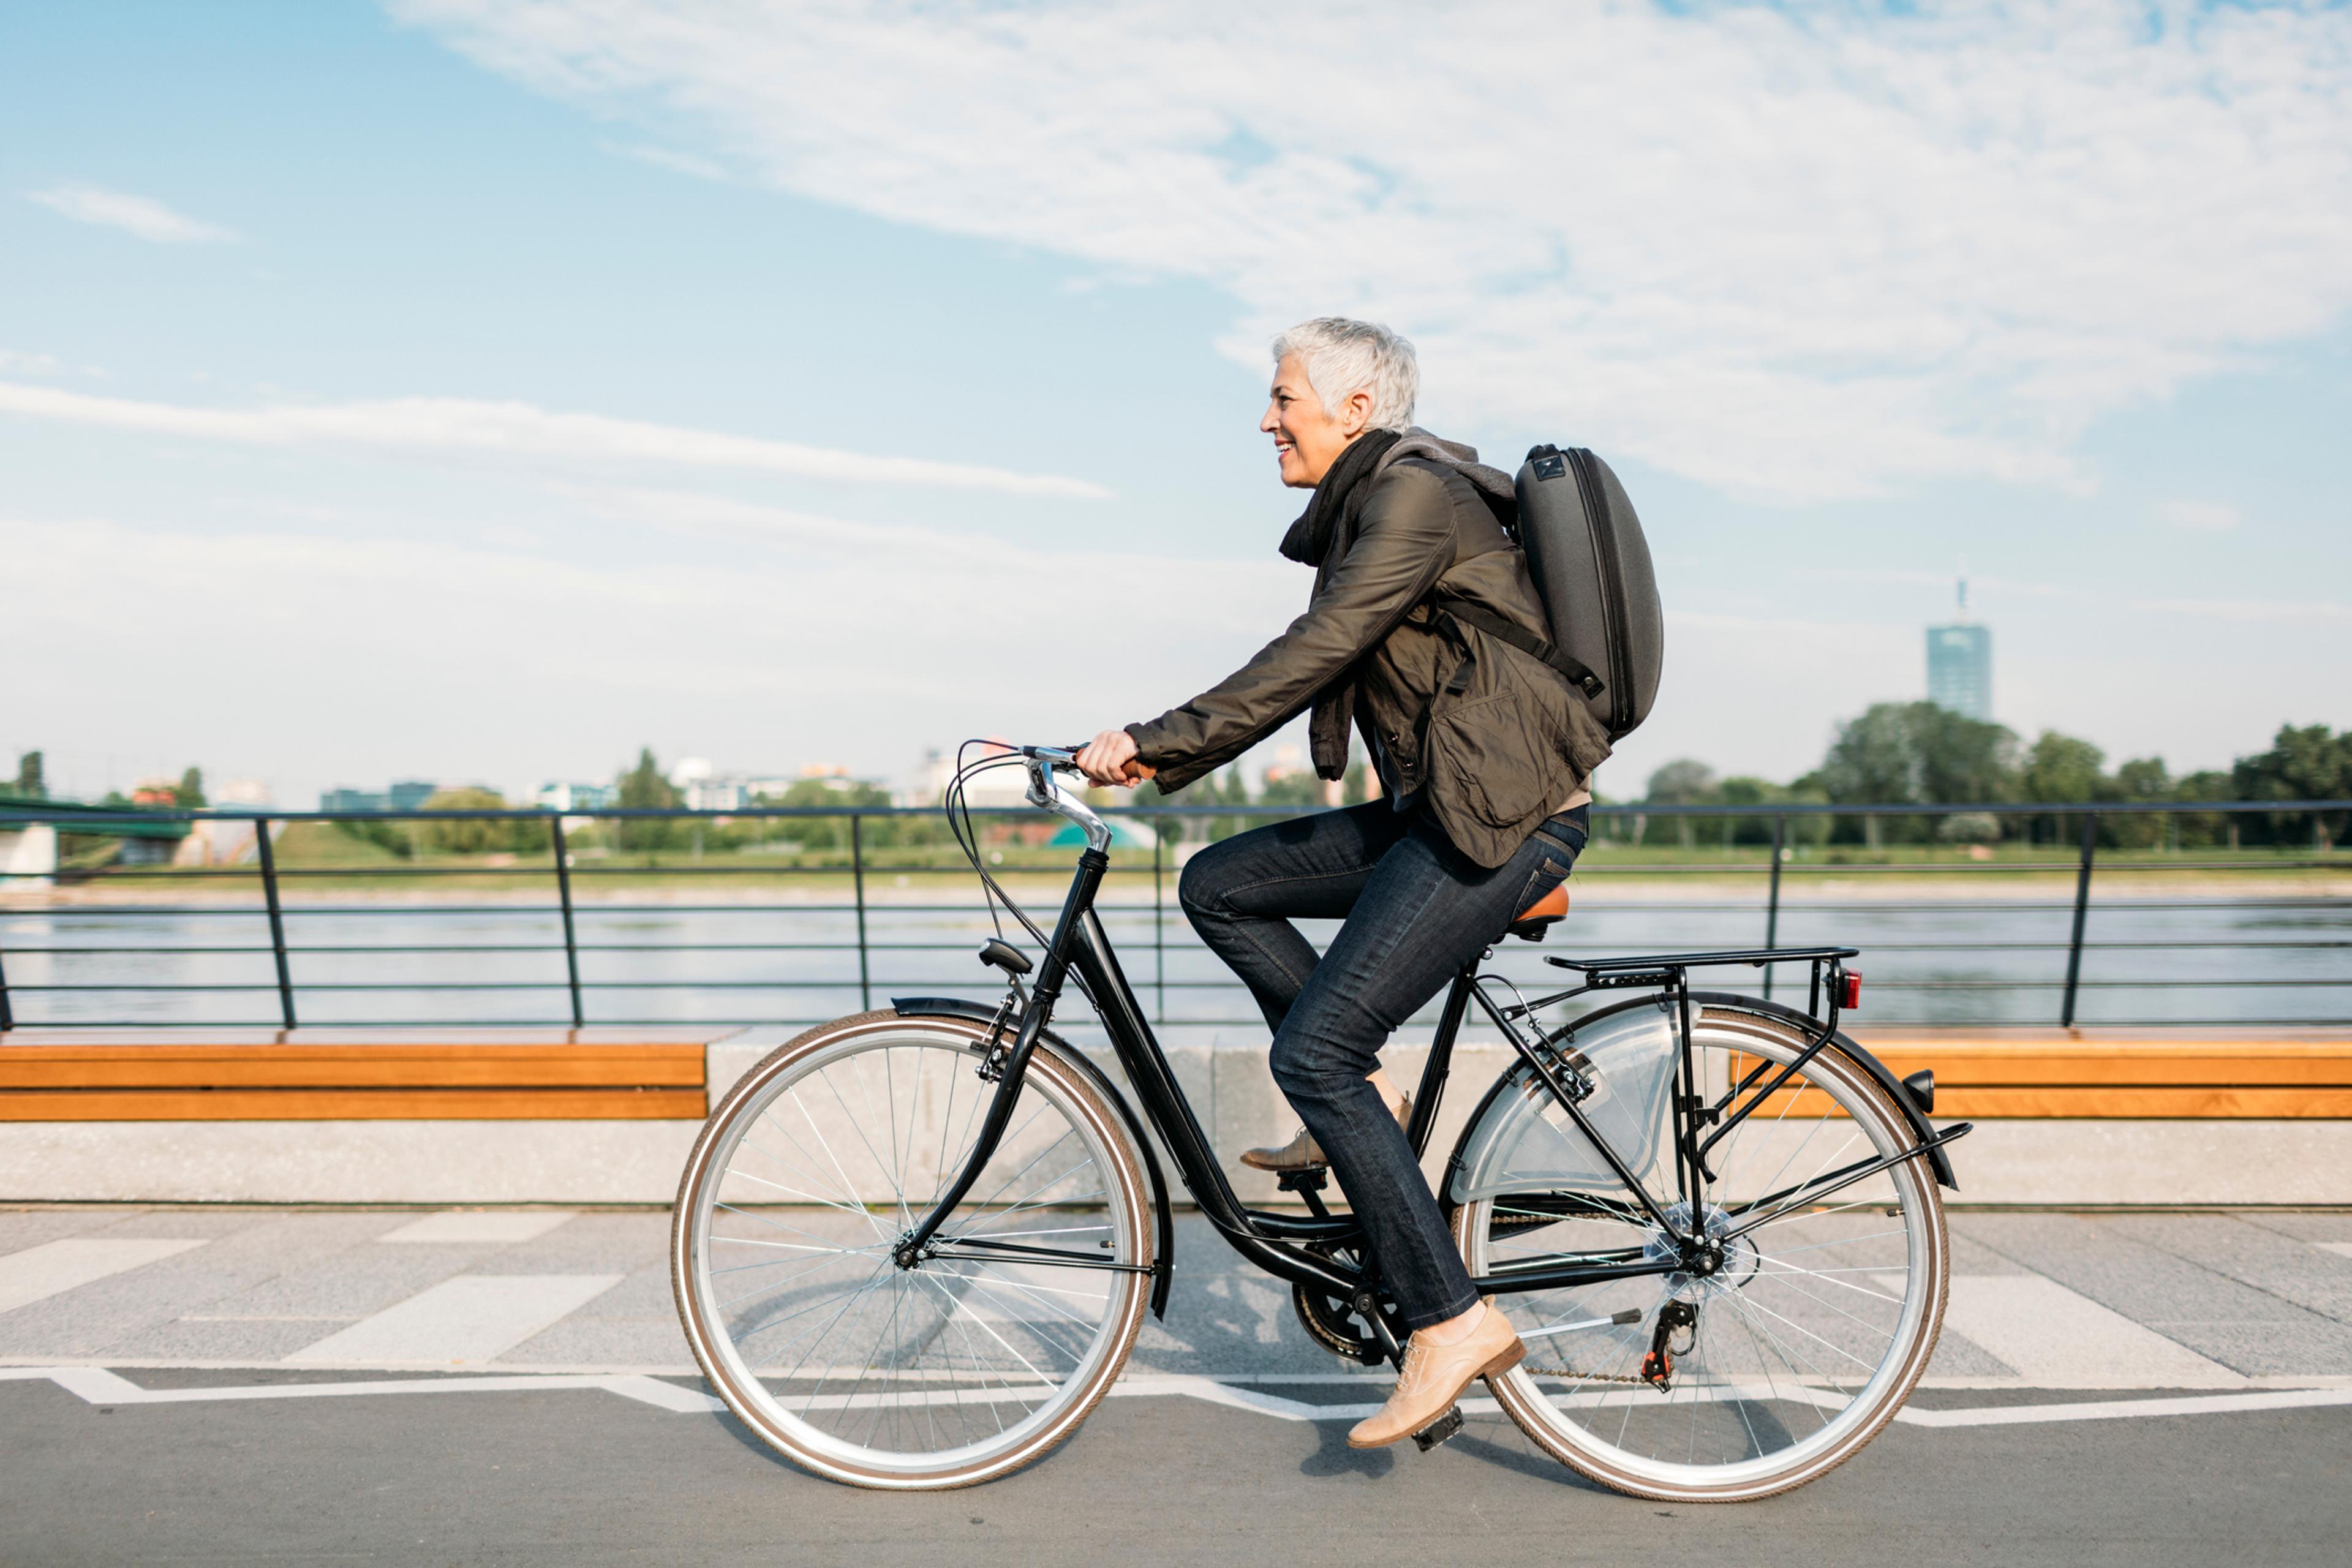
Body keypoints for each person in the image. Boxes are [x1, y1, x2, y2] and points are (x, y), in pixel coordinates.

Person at [1076, 317, 1612, 1450]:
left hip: (1503, 823)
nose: (1267, 418)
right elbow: (1323, 645)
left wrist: (1157, 743)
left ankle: (1450, 1320)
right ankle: (1365, 1112)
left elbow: (1319, 648)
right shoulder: (1378, 500)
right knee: (1221, 884)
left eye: (1283, 398)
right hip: (1447, 809)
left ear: (1354, 412)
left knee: (1310, 1052)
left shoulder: (1412, 498)